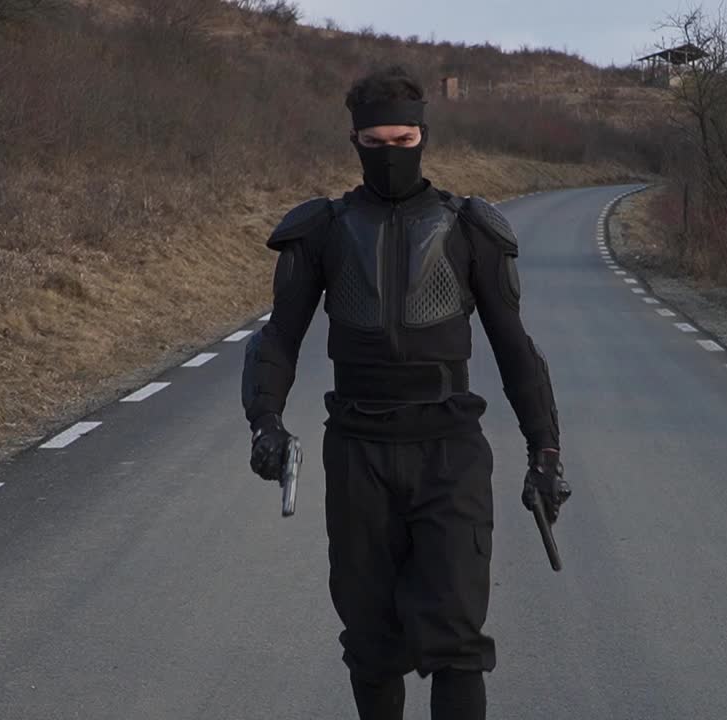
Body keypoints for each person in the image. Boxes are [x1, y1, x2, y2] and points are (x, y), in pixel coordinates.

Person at [240, 65, 571, 720]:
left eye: (403, 140)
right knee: (372, 644)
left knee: (456, 642)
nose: (391, 156)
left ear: (424, 136)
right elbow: (278, 339)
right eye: (376, 143)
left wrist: (546, 452)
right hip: (359, 449)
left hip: (450, 449)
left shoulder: (471, 230)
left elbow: (516, 350)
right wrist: (265, 421)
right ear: (354, 141)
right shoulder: (323, 232)